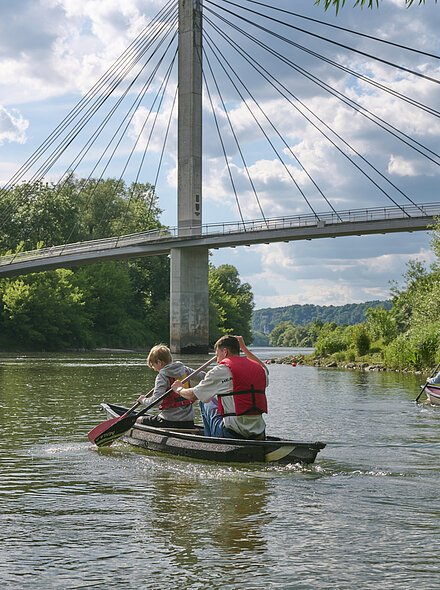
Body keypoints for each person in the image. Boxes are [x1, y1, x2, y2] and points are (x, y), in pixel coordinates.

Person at [171, 335, 268, 440]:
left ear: (225, 352)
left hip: (232, 432)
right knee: (213, 398)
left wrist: (179, 389)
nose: (217, 360)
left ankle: (210, 441)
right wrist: (244, 349)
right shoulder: (260, 370)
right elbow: (264, 368)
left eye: (217, 355)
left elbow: (193, 396)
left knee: (205, 401)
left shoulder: (220, 370)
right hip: (258, 432)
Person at [137, 344, 205, 429]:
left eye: (153, 365)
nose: (154, 369)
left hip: (169, 421)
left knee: (138, 419)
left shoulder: (162, 376)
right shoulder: (184, 369)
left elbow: (156, 402)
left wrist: (143, 400)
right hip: (188, 422)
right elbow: (204, 377)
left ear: (159, 362)